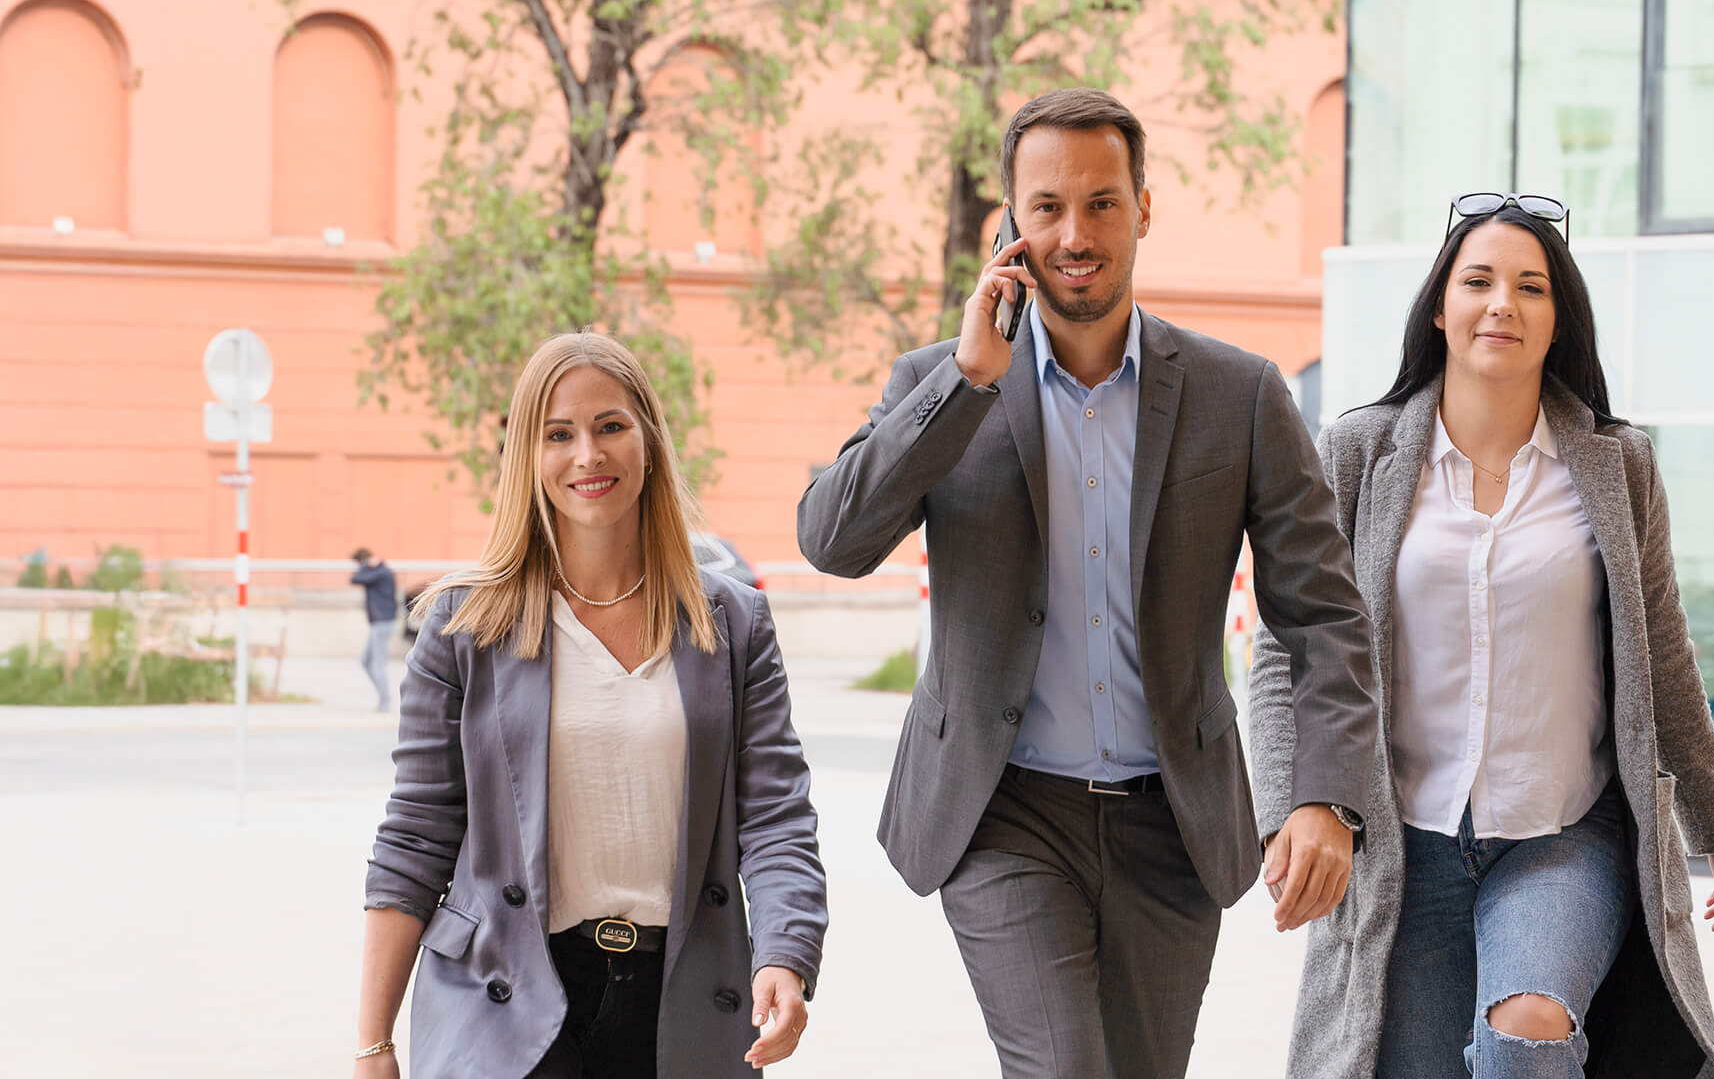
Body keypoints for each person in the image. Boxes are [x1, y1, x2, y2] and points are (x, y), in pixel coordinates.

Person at [798, 88, 1379, 1079]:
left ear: (1143, 209)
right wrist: (965, 382)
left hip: (1172, 822)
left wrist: (1325, 794)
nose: (1075, 234)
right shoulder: (942, 382)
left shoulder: (1238, 394)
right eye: (1048, 208)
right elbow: (833, 540)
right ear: (1011, 227)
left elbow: (1323, 613)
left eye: (1102, 203)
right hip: (1004, 811)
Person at [1246, 193, 1714, 1079]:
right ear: (1440, 308)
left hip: (1564, 834)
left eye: (1531, 287)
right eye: (1478, 281)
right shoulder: (1359, 453)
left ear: (1559, 319)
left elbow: (1663, 653)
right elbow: (1287, 648)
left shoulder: (1617, 464)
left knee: (1527, 1031)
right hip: (1405, 846)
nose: (1502, 305)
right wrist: (1294, 805)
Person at [355, 332, 826, 1079]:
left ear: (649, 441)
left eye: (610, 426)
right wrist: (372, 1042)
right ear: (527, 455)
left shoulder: (734, 624)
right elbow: (416, 836)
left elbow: (775, 817)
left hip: (679, 1002)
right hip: (503, 1000)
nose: (588, 455)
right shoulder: (463, 626)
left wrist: (786, 954)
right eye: (558, 434)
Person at [350, 548, 399, 712]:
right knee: (365, 661)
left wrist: (366, 564)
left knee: (378, 664)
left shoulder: (381, 573)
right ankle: (384, 699)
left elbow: (355, 578)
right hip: (379, 622)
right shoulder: (380, 572)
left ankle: (385, 703)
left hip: (383, 623)